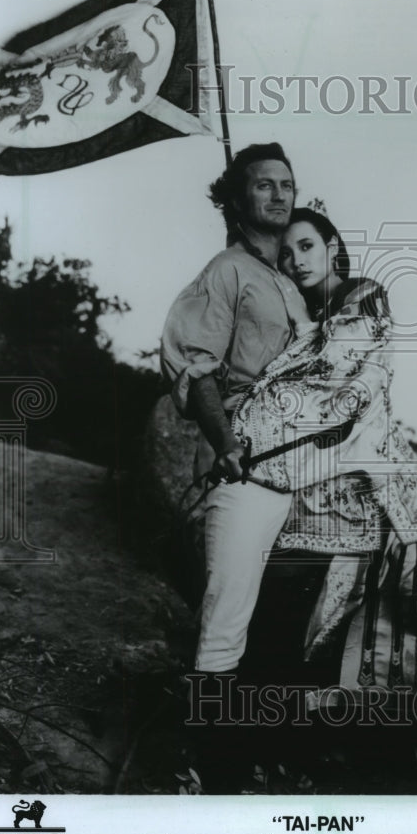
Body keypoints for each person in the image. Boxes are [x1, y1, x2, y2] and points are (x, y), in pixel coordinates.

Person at [233, 207, 417, 721]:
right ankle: (280, 731)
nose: (296, 260)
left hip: (364, 480)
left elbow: (337, 382)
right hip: (313, 477)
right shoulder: (299, 317)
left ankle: (355, 731)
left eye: (305, 246)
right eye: (285, 254)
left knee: (355, 612)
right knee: (294, 607)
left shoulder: (364, 296)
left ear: (331, 246)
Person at [160, 145, 311, 771]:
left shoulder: (296, 280)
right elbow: (193, 365)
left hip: (303, 467)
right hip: (247, 463)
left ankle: (263, 758)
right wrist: (228, 447)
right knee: (228, 610)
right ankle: (207, 768)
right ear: (237, 197)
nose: (278, 195)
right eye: (263, 186)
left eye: (287, 184)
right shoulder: (227, 271)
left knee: (287, 612)